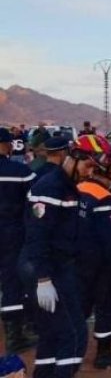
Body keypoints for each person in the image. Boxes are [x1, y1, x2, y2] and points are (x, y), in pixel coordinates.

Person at [19, 135, 108, 378]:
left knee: (50, 332)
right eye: (88, 165)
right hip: (45, 267)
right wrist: (43, 279)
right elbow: (37, 236)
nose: (90, 172)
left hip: (59, 267)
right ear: (74, 158)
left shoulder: (69, 189)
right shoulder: (49, 188)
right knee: (73, 333)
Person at [76, 150, 111, 369]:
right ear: (110, 175)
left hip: (77, 262)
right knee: (107, 306)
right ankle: (104, 353)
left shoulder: (78, 190)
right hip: (100, 264)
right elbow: (108, 237)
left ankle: (73, 348)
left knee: (80, 306)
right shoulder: (104, 198)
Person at [0, 128, 39, 353]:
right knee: (12, 281)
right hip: (12, 234)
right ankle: (15, 336)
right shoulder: (20, 171)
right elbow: (34, 205)